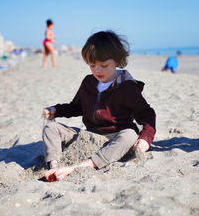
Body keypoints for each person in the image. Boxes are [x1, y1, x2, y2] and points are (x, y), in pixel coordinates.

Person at [42, 30, 156, 182]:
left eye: (103, 65)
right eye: (92, 65)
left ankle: (83, 166)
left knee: (130, 135)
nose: (97, 70)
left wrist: (145, 138)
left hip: (116, 136)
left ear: (117, 60)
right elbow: (76, 107)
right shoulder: (89, 82)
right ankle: (54, 166)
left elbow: (147, 114)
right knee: (51, 128)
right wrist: (56, 110)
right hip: (89, 136)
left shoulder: (127, 87)